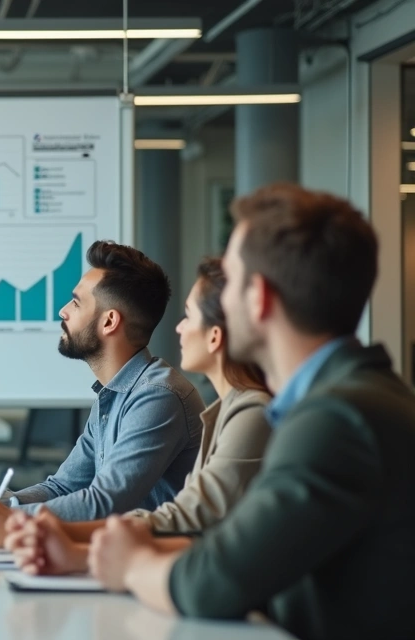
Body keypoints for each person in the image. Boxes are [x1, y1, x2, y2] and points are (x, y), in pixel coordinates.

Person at [86, 183, 415, 640]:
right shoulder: (349, 398)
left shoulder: (338, 418)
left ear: (258, 297)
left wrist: (132, 565)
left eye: (233, 281)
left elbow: (212, 583)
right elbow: (243, 550)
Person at [0, 240, 204, 546]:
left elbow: (105, 503)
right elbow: (63, 486)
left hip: (152, 571)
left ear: (109, 322)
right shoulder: (114, 394)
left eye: (76, 303)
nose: (63, 311)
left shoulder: (158, 397)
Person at [5, 256, 273, 574]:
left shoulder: (171, 397)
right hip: (172, 568)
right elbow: (67, 487)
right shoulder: (119, 396)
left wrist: (15, 520)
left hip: (190, 578)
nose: (178, 327)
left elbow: (182, 522)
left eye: (189, 316)